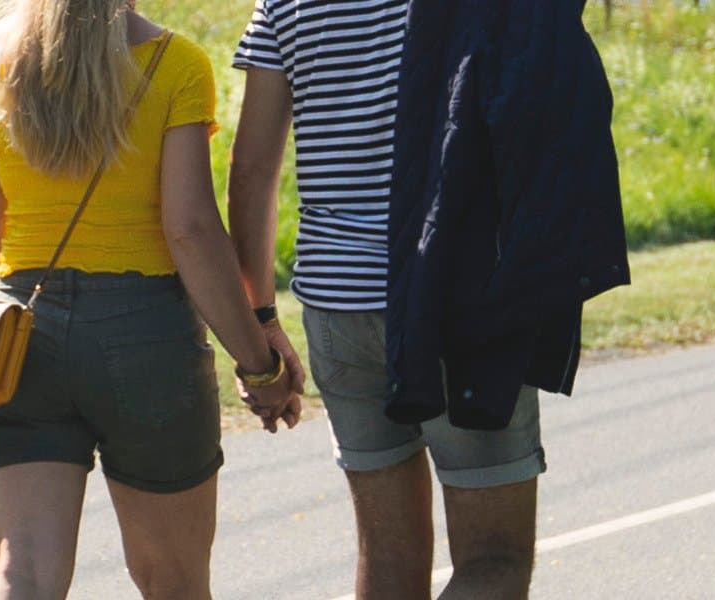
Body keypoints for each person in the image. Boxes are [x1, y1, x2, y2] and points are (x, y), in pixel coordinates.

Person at [0, 0, 306, 598]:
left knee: (21, 575)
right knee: (173, 580)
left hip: (18, 327)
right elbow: (189, 230)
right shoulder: (174, 64)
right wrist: (260, 364)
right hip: (144, 338)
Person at [228, 1, 551, 598]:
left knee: (389, 560)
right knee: (494, 559)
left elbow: (250, 172)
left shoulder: (283, 3)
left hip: (337, 305)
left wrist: (262, 319)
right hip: (453, 294)